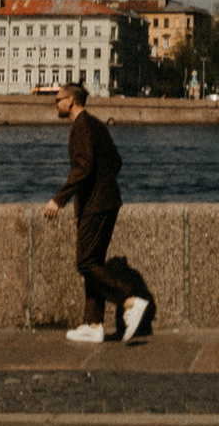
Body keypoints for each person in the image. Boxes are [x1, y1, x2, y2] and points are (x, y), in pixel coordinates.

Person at [41, 81, 148, 344]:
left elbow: (84, 166)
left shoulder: (81, 127)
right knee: (94, 263)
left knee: (85, 262)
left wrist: (59, 199)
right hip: (107, 201)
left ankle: (129, 302)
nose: (55, 104)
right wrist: (105, 184)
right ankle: (93, 323)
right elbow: (116, 162)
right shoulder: (97, 124)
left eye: (57, 100)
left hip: (95, 205)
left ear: (71, 101)